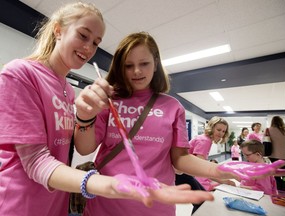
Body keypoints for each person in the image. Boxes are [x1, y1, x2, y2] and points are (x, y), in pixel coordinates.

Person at [0, 3, 214, 216]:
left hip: (56, 201)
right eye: (83, 35)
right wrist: (108, 185)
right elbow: (36, 160)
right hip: (20, 202)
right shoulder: (21, 73)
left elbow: (61, 152)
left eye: (96, 42)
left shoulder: (66, 89)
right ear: (58, 30)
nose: (89, 48)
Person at [75, 39, 246, 216]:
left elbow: (180, 159)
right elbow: (84, 147)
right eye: (128, 65)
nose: (137, 71)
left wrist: (217, 171)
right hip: (105, 204)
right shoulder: (108, 101)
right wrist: (85, 116)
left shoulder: (173, 107)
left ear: (156, 63)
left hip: (155, 207)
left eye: (144, 63)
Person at [187, 116, 236, 192]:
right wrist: (223, 180)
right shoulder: (204, 141)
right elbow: (201, 168)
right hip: (180, 172)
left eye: (223, 131)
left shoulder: (205, 139)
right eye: (218, 130)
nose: (221, 133)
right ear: (211, 128)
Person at [267, 116, 285, 191]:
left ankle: (278, 189)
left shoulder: (268, 130)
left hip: (273, 155)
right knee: (284, 172)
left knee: (276, 173)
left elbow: (264, 140)